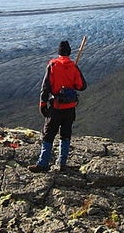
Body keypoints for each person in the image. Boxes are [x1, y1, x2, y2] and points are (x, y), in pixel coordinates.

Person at [29, 40, 88, 173]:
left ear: (59, 52)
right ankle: (62, 163)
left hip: (56, 107)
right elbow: (82, 86)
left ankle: (43, 163)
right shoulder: (73, 66)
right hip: (70, 108)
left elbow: (45, 87)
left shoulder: (53, 65)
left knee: (48, 135)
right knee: (65, 135)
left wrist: (42, 104)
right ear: (69, 52)